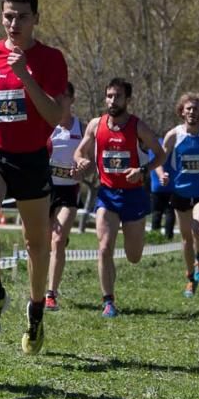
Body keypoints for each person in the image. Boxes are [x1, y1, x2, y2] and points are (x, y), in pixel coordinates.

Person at [0, 0, 67, 354]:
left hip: (33, 157)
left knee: (36, 245)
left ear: (36, 19)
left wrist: (26, 76)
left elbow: (56, 115)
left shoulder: (52, 60)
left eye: (22, 16)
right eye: (8, 15)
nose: (14, 23)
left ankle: (36, 309)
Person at [73, 78, 166, 317]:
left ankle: (133, 243)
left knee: (133, 256)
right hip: (107, 194)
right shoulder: (96, 124)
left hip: (134, 195)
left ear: (127, 100)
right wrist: (80, 161)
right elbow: (80, 151)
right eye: (110, 96)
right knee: (104, 248)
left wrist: (143, 171)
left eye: (118, 96)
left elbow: (161, 154)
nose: (113, 101)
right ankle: (108, 301)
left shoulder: (138, 127)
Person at [158, 92, 199, 298]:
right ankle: (190, 279)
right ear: (181, 112)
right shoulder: (174, 135)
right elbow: (159, 159)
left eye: (196, 108)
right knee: (186, 238)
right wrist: (162, 174)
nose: (192, 112)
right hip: (180, 192)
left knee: (198, 227)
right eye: (188, 109)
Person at [44, 81, 83, 312]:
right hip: (44, 189)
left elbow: (91, 161)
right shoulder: (44, 125)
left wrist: (83, 167)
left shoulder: (82, 127)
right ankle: (37, 289)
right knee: (43, 242)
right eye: (55, 96)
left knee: (57, 241)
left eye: (64, 96)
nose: (59, 100)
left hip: (68, 190)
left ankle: (51, 294)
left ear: (72, 99)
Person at [149, 138, 176, 241]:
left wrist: (160, 176)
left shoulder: (154, 145)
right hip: (171, 185)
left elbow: (155, 163)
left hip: (157, 187)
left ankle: (155, 236)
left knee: (157, 212)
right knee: (170, 212)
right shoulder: (174, 146)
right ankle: (168, 237)